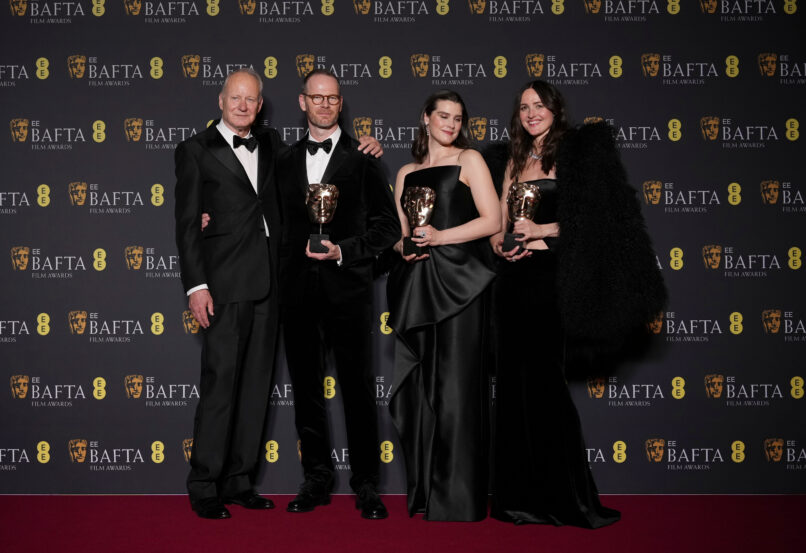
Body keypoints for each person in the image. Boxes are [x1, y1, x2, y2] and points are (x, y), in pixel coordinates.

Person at [489, 80, 664, 528]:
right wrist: (502, 245)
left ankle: (567, 501)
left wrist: (542, 232)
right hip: (513, 282)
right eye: (525, 107)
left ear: (555, 109)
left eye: (540, 105)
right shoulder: (513, 159)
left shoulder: (576, 154)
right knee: (512, 388)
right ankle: (515, 500)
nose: (532, 113)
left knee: (546, 386)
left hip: (551, 280)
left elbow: (595, 225)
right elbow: (500, 225)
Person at [278, 69, 398, 519]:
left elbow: (388, 227)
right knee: (306, 391)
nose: (325, 105)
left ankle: (366, 484)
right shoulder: (283, 161)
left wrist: (345, 252)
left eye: (332, 98)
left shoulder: (364, 159)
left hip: (348, 292)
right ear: (302, 102)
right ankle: (317, 479)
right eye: (317, 97)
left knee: (357, 389)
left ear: (340, 104)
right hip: (297, 295)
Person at [174, 68, 283, 519]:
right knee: (220, 387)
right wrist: (196, 286)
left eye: (251, 99)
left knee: (256, 388)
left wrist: (365, 147)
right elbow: (185, 225)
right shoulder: (194, 150)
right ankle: (204, 484)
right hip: (222, 285)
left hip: (270, 284)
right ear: (221, 101)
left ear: (260, 106)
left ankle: (240, 481)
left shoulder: (274, 144)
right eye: (235, 97)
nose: (243, 105)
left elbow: (320, 163)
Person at [386, 90, 501, 521]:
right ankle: (426, 493)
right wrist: (407, 247)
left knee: (456, 390)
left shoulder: (469, 161)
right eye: (443, 116)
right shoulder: (406, 173)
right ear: (425, 119)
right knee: (423, 390)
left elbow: (493, 220)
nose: (451, 124)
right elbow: (400, 235)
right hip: (418, 286)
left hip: (462, 286)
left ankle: (458, 499)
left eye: (457, 118)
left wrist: (438, 237)